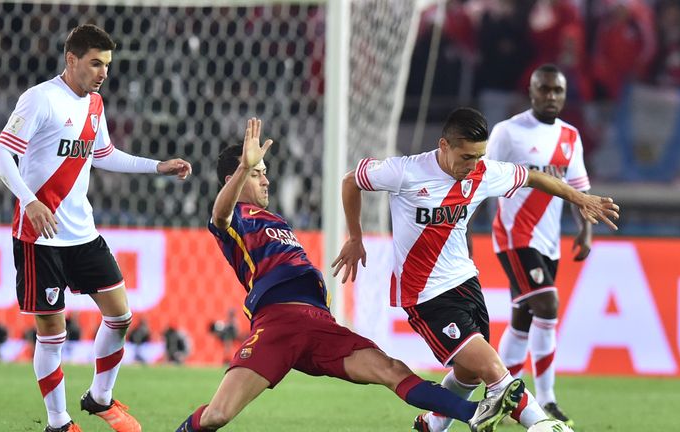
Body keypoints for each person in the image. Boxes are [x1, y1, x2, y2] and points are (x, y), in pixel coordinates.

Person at [175, 118, 515, 432]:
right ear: (231, 180)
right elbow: (219, 216)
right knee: (217, 416)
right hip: (278, 325)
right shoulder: (236, 217)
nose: (265, 178)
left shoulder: (276, 219)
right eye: (255, 173)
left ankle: (475, 414)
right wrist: (242, 169)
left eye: (263, 171)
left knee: (391, 369)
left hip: (320, 324)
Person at [332, 107, 619, 432]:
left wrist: (579, 198)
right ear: (444, 146)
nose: (472, 166)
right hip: (425, 294)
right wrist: (355, 237)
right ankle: (542, 425)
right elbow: (351, 181)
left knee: (468, 372)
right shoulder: (405, 172)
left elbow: (534, 177)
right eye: (466, 157)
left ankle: (432, 426)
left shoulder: (485, 172)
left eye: (479, 157)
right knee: (494, 370)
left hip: (466, 283)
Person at [0, 24, 192, 432]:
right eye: (96, 63)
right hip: (39, 238)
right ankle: (58, 422)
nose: (103, 72)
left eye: (107, 65)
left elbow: (104, 154)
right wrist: (29, 201)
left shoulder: (95, 105)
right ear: (72, 60)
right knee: (53, 331)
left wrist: (157, 167)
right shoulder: (40, 100)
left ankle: (99, 397)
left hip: (83, 235)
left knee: (120, 316)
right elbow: (0, 155)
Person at [488, 63, 591, 427]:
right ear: (531, 91)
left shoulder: (570, 136)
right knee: (547, 304)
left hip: (549, 242)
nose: (551, 96)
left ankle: (501, 396)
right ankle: (546, 400)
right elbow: (479, 179)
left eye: (557, 91)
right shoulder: (508, 132)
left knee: (523, 317)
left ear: (564, 94)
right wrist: (464, 227)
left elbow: (579, 189)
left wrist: (585, 231)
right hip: (514, 236)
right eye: (544, 89)